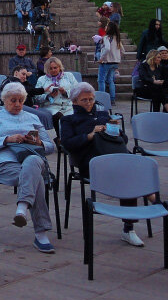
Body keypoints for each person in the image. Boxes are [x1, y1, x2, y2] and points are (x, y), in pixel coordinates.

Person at [58, 84, 143, 246]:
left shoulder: (104, 115)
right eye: (84, 100)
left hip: (113, 157)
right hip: (89, 162)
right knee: (129, 170)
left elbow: (123, 140)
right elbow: (68, 144)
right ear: (75, 101)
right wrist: (90, 135)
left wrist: (116, 132)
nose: (89, 103)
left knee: (129, 170)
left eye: (91, 99)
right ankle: (153, 202)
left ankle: (129, 228)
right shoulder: (68, 120)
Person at [0, 82, 56, 252]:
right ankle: (41, 234)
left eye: (21, 100)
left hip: (33, 161)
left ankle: (22, 206)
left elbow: (51, 147)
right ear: (4, 100)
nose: (17, 104)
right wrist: (8, 139)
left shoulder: (33, 118)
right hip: (7, 166)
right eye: (13, 100)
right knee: (34, 178)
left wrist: (39, 142)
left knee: (32, 162)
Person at [35, 57, 79, 127]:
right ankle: (60, 136)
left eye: (55, 68)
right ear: (47, 69)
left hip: (68, 106)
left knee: (74, 119)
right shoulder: (42, 79)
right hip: (51, 106)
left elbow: (77, 91)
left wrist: (65, 92)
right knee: (59, 118)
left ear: (59, 67)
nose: (53, 70)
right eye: (50, 68)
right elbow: (36, 97)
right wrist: (49, 96)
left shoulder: (69, 76)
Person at [96, 22, 123, 104]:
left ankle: (102, 99)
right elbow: (123, 50)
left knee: (101, 80)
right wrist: (117, 57)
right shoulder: (117, 38)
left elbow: (107, 48)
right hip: (115, 62)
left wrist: (101, 58)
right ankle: (112, 99)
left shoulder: (107, 37)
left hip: (106, 62)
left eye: (107, 26)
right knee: (111, 80)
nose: (105, 27)